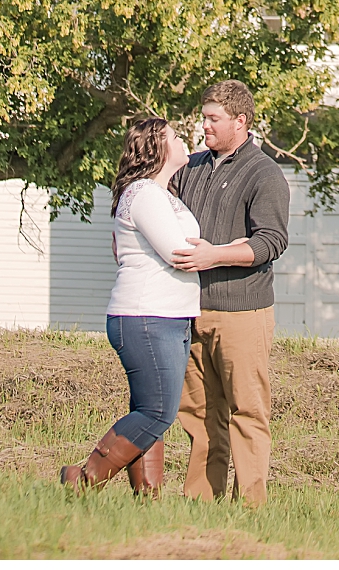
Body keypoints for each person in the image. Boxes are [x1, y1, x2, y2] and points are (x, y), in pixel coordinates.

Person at [60, 116, 202, 497]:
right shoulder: (143, 193)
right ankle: (84, 478)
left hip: (167, 316)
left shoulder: (162, 194)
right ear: (158, 147)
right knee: (158, 412)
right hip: (146, 316)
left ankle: (148, 497)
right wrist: (216, 253)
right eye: (175, 135)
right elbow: (177, 252)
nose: (184, 138)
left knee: (148, 408)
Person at [168, 80, 290, 508]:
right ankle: (200, 504)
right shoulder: (192, 169)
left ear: (241, 121)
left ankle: (252, 507)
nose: (204, 126)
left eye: (213, 119)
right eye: (204, 117)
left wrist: (213, 256)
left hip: (243, 313)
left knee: (247, 412)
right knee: (199, 415)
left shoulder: (265, 173)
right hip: (190, 311)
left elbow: (271, 241)